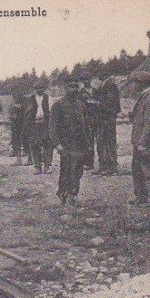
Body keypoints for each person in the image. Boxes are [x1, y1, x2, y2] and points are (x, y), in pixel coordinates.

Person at [49, 76, 90, 206]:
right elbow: (53, 127)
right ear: (65, 88)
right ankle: (63, 194)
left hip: (79, 144)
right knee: (65, 170)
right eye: (71, 87)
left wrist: (88, 144)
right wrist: (57, 144)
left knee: (77, 171)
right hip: (65, 144)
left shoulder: (81, 105)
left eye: (76, 87)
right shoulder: (58, 105)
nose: (74, 90)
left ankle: (73, 194)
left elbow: (86, 127)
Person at [129, 70, 150, 206]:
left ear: (141, 83)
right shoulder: (146, 95)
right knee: (137, 168)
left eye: (135, 83)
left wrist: (143, 141)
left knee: (149, 169)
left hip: (146, 141)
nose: (133, 86)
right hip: (140, 140)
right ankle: (141, 196)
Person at [92, 75, 121, 175]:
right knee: (101, 143)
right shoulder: (103, 87)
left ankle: (112, 167)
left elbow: (111, 105)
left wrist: (97, 103)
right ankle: (103, 166)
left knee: (109, 143)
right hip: (101, 119)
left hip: (108, 119)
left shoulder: (110, 87)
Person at [23, 82, 52, 174]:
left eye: (42, 88)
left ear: (44, 89)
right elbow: (27, 113)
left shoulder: (48, 98)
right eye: (38, 88)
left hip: (45, 124)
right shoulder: (30, 99)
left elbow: (51, 111)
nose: (40, 90)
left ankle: (47, 166)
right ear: (35, 89)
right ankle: (37, 167)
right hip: (34, 124)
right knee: (35, 145)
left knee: (47, 145)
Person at [78, 75, 99, 171]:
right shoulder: (80, 93)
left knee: (100, 141)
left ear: (91, 79)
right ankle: (88, 162)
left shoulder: (96, 91)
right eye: (84, 79)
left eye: (88, 78)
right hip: (86, 119)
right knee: (88, 141)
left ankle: (102, 162)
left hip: (97, 118)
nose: (86, 81)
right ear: (82, 81)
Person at [8, 96, 26, 165]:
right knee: (21, 142)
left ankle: (19, 160)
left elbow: (13, 117)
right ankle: (24, 159)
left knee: (18, 142)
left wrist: (13, 118)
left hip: (17, 126)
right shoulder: (23, 107)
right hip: (19, 126)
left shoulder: (16, 107)